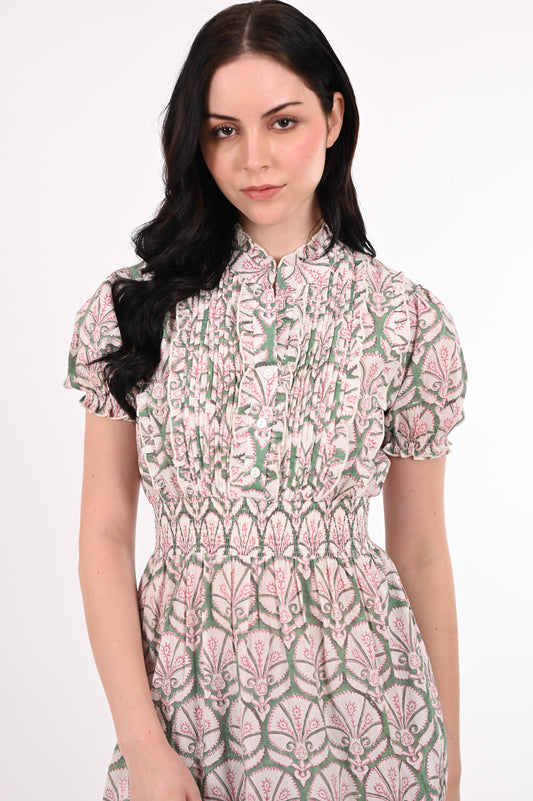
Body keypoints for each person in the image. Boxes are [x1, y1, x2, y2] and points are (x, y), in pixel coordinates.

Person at [64, 2, 467, 800]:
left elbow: (420, 548)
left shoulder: (405, 319)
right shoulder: (130, 310)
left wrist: (448, 763)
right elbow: (104, 534)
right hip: (185, 717)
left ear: (333, 117)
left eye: (283, 122)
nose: (254, 159)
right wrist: (142, 745)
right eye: (223, 131)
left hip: (374, 721)